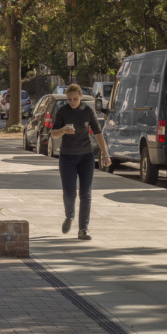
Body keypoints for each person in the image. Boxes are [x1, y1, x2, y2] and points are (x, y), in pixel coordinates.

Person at [51, 83, 109, 240]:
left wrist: (105, 154)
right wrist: (63, 130)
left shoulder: (87, 110)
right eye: (69, 99)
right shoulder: (62, 111)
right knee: (69, 193)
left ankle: (83, 229)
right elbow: (53, 134)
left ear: (81, 97)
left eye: (75, 99)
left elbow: (98, 132)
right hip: (67, 157)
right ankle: (70, 216)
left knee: (86, 194)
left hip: (86, 157)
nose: (72, 102)